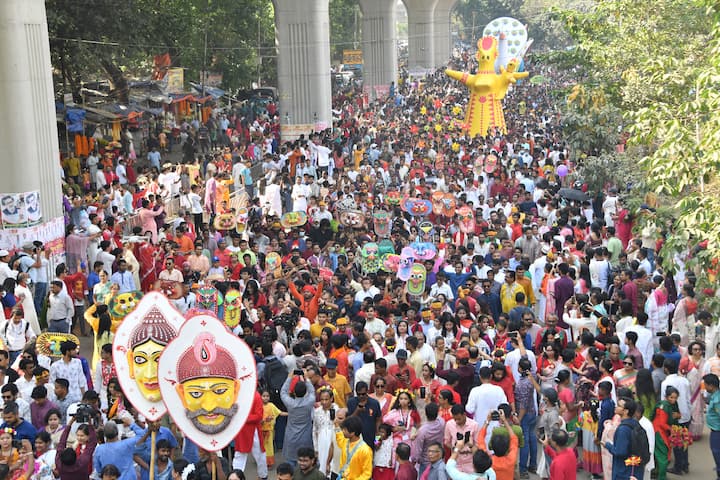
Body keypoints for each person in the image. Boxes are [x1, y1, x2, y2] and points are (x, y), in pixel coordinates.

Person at [603, 396, 645, 480]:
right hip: (634, 467)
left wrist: (607, 445)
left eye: (619, 405)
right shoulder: (635, 424)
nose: (616, 407)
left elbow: (620, 452)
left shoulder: (623, 429)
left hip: (623, 471)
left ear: (626, 411)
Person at [280, 374, 315, 469]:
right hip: (305, 437)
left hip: (291, 437)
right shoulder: (309, 402)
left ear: (294, 392)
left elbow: (283, 392)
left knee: (290, 465)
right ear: (305, 392)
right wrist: (307, 378)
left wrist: (289, 377)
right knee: (304, 464)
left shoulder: (290, 403)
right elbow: (312, 391)